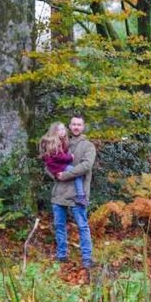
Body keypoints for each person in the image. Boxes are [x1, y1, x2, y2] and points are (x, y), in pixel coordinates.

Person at [48, 115, 96, 268]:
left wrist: (66, 174)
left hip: (78, 193)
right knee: (59, 225)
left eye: (79, 125)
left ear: (83, 127)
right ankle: (61, 256)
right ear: (70, 126)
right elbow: (48, 162)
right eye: (74, 124)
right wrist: (55, 174)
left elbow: (86, 166)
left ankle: (87, 259)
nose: (76, 127)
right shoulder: (60, 141)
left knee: (82, 226)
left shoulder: (88, 146)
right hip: (59, 192)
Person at [38, 122, 87, 207]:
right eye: (59, 130)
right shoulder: (54, 142)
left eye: (63, 129)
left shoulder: (61, 140)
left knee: (75, 172)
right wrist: (70, 157)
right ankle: (81, 195)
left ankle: (80, 196)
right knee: (77, 172)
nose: (62, 131)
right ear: (54, 132)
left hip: (56, 166)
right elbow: (58, 157)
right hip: (56, 167)